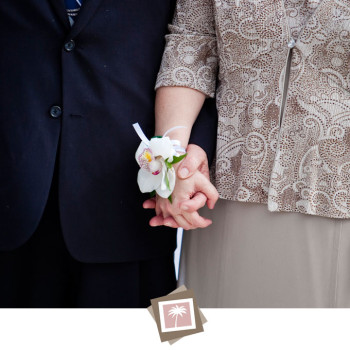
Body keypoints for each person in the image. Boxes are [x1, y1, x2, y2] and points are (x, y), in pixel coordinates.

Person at [0, 0, 218, 307]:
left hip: (133, 204)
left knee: (168, 337)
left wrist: (190, 149)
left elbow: (199, 42)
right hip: (14, 196)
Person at [147, 0, 350, 307]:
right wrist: (171, 160)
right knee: (184, 330)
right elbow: (189, 46)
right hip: (221, 194)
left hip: (336, 192)